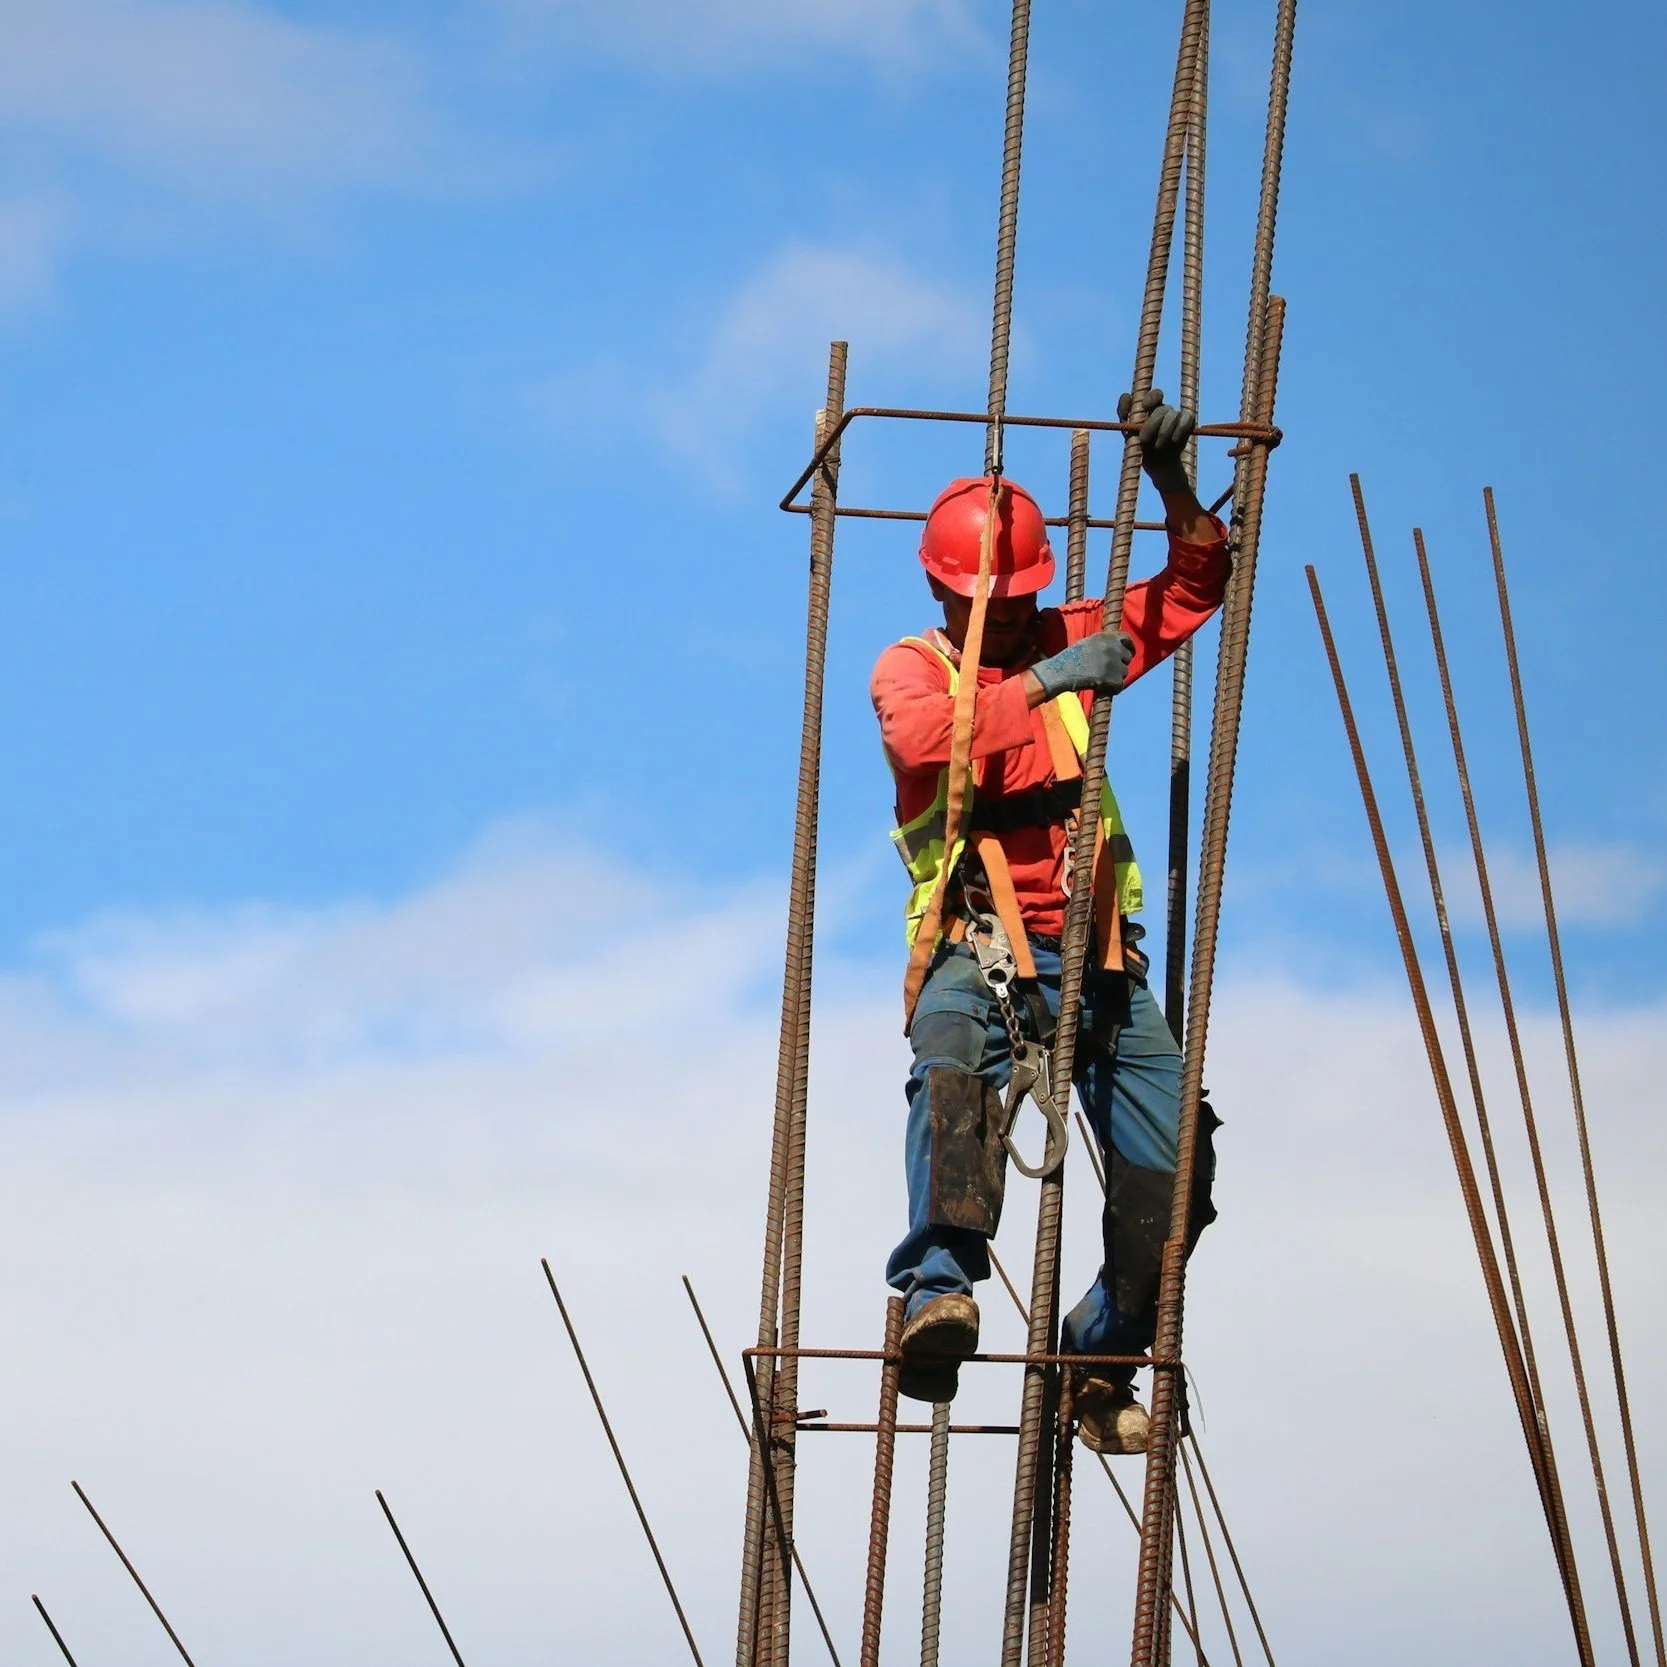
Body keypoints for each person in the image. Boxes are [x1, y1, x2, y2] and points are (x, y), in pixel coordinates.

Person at [869, 392, 1228, 1453]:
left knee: (1176, 1187)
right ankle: (939, 1286)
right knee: (949, 1068)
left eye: (1027, 597)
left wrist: (1172, 489)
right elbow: (924, 741)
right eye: (1001, 600)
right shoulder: (912, 668)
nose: (1022, 613)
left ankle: (1095, 1352)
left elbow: (1190, 588)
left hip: (1097, 959)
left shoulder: (1070, 636)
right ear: (945, 586)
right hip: (976, 947)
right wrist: (1039, 678)